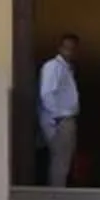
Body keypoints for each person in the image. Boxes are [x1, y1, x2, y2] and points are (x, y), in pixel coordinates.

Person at [38, 34, 82, 187]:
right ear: (60, 48)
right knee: (61, 159)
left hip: (65, 118)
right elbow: (47, 93)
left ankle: (58, 188)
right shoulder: (54, 66)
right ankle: (56, 192)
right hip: (60, 119)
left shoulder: (67, 69)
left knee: (64, 159)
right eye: (67, 47)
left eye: (73, 48)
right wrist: (57, 116)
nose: (70, 51)